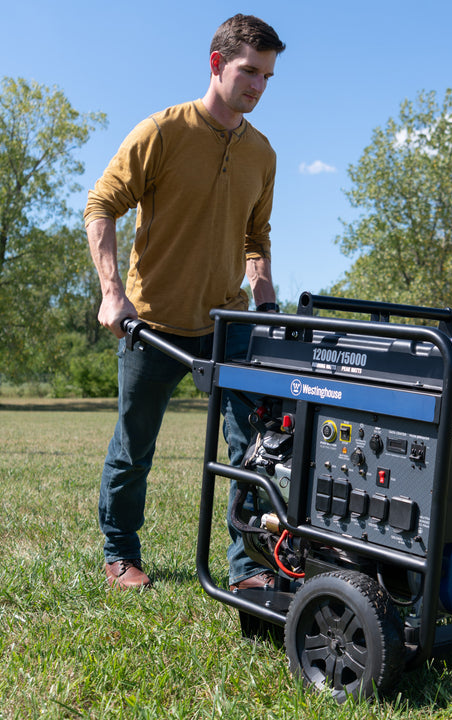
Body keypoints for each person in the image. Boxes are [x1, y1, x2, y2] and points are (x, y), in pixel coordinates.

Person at [84, 13, 285, 591]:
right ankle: (120, 555)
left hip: (228, 324)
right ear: (218, 64)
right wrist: (112, 292)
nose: (258, 86)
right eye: (250, 71)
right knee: (134, 446)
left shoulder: (262, 154)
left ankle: (248, 569)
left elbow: (257, 235)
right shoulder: (162, 132)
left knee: (255, 450)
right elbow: (101, 205)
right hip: (152, 325)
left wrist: (262, 284)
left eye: (268, 77)